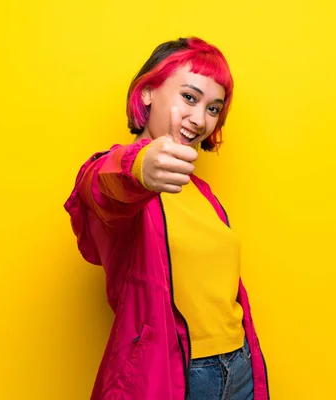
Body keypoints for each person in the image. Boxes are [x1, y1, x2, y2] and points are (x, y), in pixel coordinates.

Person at [64, 37, 269, 400]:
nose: (200, 119)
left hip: (238, 368)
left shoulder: (204, 194)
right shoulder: (123, 177)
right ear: (147, 93)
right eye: (189, 97)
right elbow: (97, 189)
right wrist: (140, 165)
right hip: (180, 375)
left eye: (213, 108)